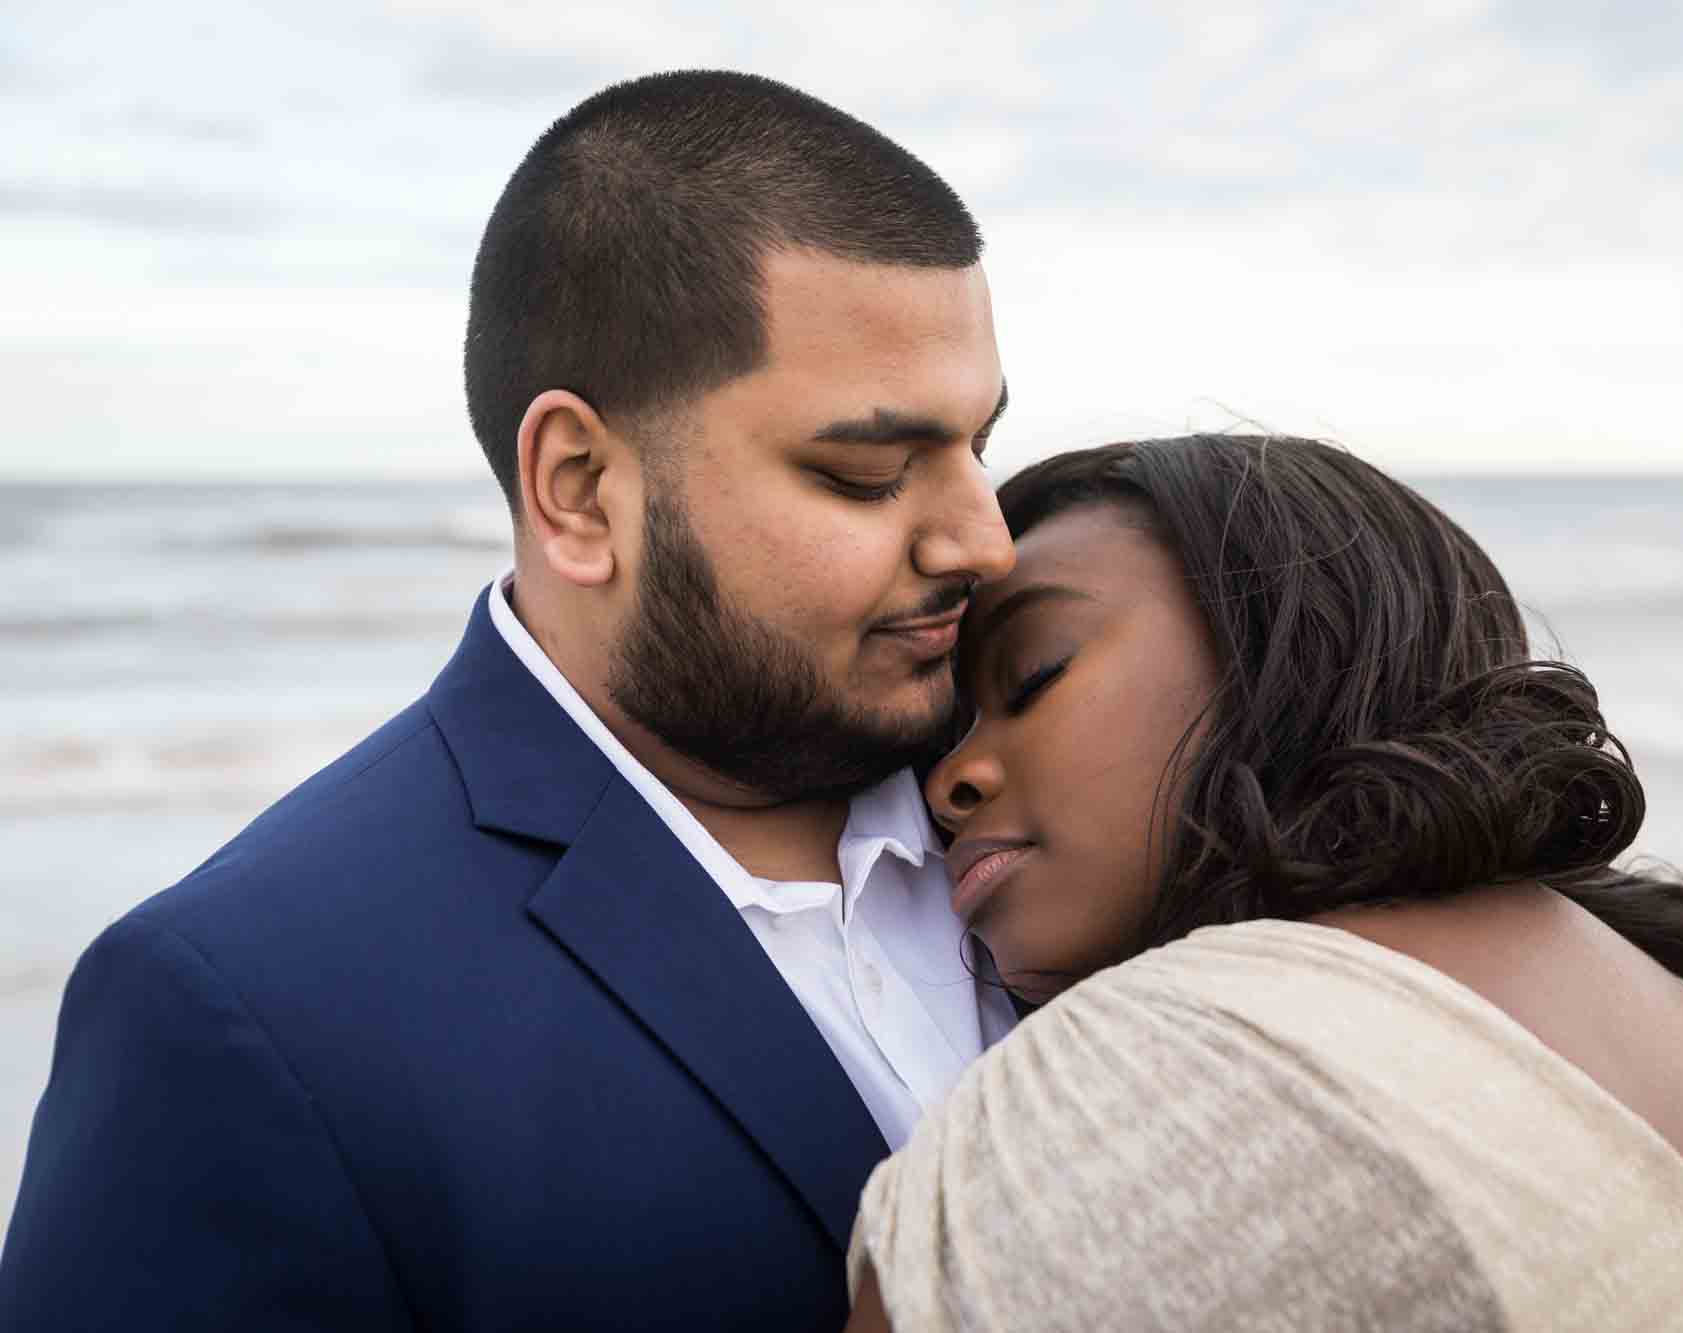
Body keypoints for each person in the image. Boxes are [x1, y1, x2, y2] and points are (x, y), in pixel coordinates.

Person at [1, 71, 1017, 1330]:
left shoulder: (1077, 798)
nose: (983, 541)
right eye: (867, 473)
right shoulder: (242, 1014)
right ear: (580, 488)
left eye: (982, 448)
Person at [846, 436, 1683, 1332]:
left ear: (1288, 650)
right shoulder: (1679, 1008)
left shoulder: (1179, 1049)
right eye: (951, 729)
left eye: (1030, 675)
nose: (949, 780)